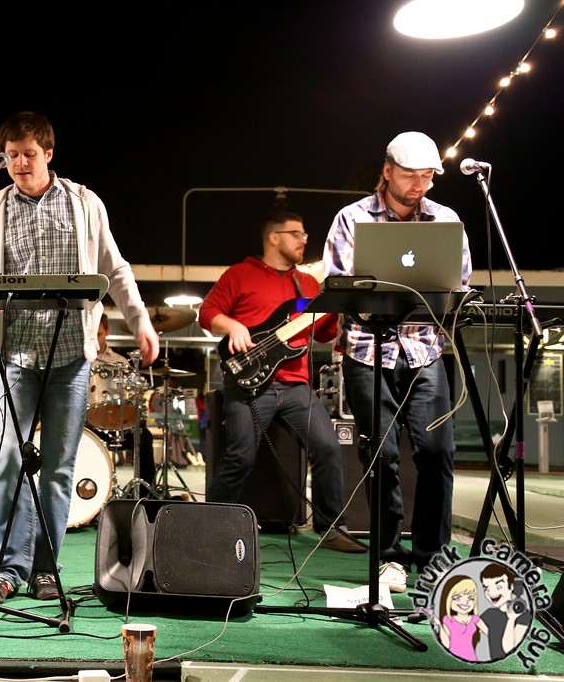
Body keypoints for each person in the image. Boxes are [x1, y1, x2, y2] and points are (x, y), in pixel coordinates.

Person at [0, 111, 159, 604]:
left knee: (58, 466)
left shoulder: (83, 203)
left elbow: (115, 268)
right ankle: (6, 568)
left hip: (71, 357)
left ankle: (45, 567)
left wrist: (139, 320)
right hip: (15, 357)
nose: (19, 164)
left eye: (29, 154)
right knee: (8, 458)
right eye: (11, 156)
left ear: (49, 153)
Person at [322, 131, 473, 591]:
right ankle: (390, 556)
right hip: (369, 350)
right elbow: (338, 282)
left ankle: (432, 555)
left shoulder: (446, 219)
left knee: (437, 452)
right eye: (410, 175)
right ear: (387, 170)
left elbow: (457, 280)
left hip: (425, 349)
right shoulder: (352, 218)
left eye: (427, 176)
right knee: (381, 454)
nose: (419, 185)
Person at [198, 210, 364, 554]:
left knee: (329, 447)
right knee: (240, 456)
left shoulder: (308, 285)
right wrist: (233, 326)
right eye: (296, 234)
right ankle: (207, 523)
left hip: (295, 385)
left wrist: (338, 307)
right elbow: (207, 313)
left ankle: (332, 527)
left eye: (305, 235)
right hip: (248, 382)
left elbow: (323, 332)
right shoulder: (240, 274)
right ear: (274, 237)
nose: (304, 240)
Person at [88, 313, 155, 493]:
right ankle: (90, 494)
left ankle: (144, 494)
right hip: (89, 425)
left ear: (108, 331)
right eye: (92, 334)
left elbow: (132, 396)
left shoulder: (120, 362)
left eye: (99, 334)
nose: (95, 339)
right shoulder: (81, 360)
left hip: (119, 423)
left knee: (144, 437)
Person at [479, 563, 531, 660]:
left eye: (498, 586)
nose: (491, 592)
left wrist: (511, 619)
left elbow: (508, 648)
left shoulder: (523, 615)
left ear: (511, 586)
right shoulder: (489, 613)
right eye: (487, 588)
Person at [431, 574, 486, 661]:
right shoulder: (447, 620)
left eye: (471, 598)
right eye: (457, 598)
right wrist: (439, 624)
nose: (465, 602)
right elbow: (446, 644)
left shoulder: (475, 619)